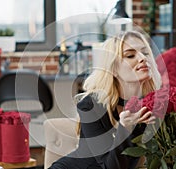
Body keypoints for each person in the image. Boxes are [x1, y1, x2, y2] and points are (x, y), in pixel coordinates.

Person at [48, 30, 162, 169]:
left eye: (145, 53)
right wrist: (125, 128)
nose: (142, 58)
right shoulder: (90, 105)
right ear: (112, 69)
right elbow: (110, 166)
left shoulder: (158, 103)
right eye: (130, 55)